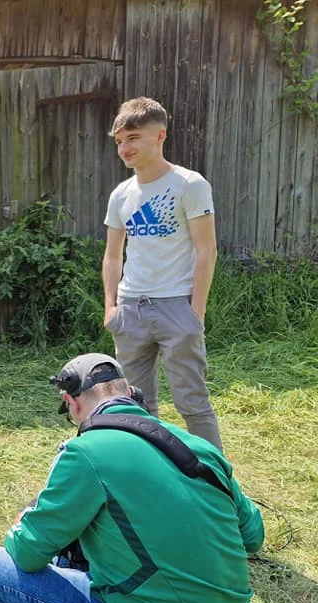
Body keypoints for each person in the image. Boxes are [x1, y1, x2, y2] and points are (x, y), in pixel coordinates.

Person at [0, 353, 263, 603]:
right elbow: (254, 534)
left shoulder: (85, 453)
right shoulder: (197, 446)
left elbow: (27, 553)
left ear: (71, 402)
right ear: (130, 391)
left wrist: (25, 519)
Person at [103, 96, 223, 450]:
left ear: (160, 136)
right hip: (130, 310)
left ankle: (215, 484)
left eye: (133, 138)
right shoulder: (121, 194)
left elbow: (207, 250)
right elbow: (112, 256)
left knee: (193, 404)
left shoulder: (190, 185)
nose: (125, 148)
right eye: (120, 141)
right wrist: (110, 308)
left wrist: (195, 312)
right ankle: (149, 479)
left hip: (176, 307)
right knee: (136, 407)